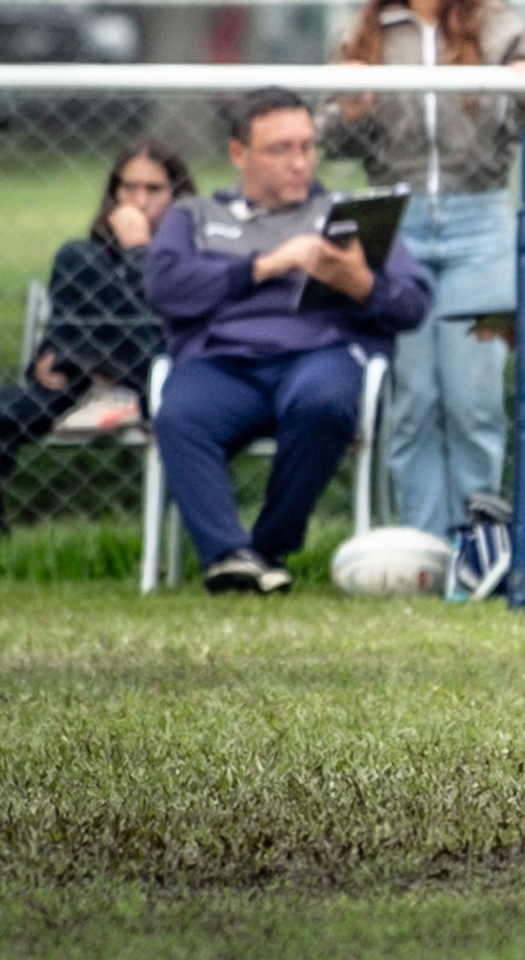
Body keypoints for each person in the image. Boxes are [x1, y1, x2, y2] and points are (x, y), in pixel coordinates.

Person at [319, 0, 525, 541]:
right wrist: (351, 110)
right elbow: (329, 140)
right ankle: (424, 547)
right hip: (393, 228)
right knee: (415, 401)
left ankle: (477, 545)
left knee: (474, 399)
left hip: (480, 221)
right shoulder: (363, 32)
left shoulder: (499, 24)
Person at [147, 87, 433, 594]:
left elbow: (413, 304)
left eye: (306, 147)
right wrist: (264, 266)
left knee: (323, 401)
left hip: (319, 356)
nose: (299, 162)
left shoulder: (347, 217)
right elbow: (166, 288)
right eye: (281, 149)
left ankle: (266, 549)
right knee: (179, 415)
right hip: (224, 363)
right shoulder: (194, 216)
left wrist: (359, 283)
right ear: (239, 154)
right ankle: (227, 556)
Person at [0, 141, 194, 532]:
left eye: (153, 189)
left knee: (76, 257)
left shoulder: (193, 252)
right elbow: (65, 323)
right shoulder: (96, 256)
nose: (139, 201)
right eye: (128, 188)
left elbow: (167, 323)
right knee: (79, 257)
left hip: (158, 377)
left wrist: (139, 250)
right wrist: (55, 349)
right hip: (79, 383)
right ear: (113, 194)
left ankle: (86, 362)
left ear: (177, 195)